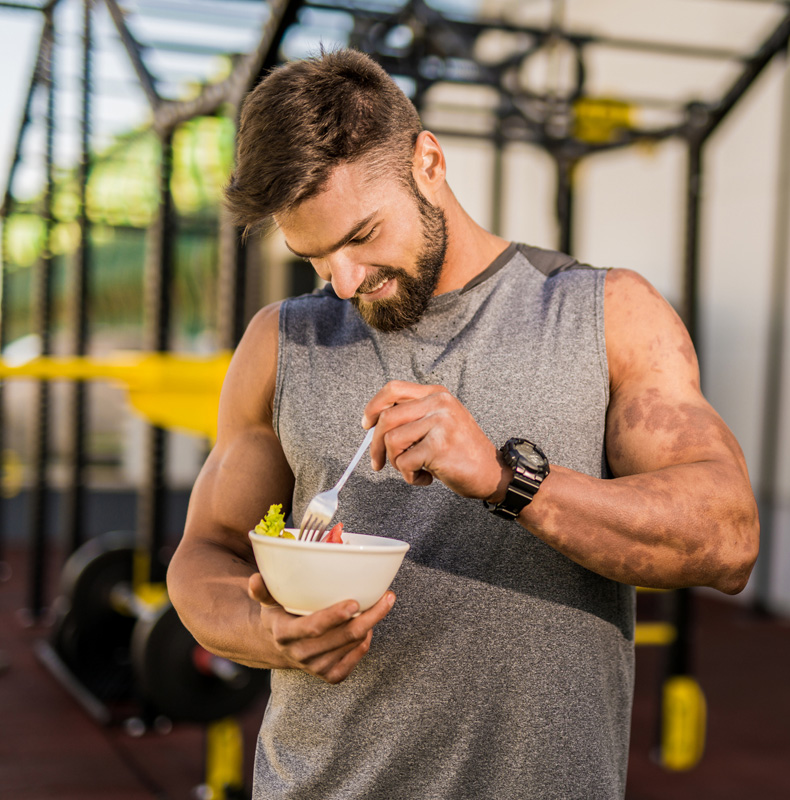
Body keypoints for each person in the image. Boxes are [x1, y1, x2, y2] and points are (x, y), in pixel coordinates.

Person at [166, 48, 758, 799]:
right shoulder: (281, 344)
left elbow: (728, 538)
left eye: (360, 236)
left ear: (429, 162)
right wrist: (270, 636)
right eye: (313, 256)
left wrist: (510, 481)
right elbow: (202, 557)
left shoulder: (606, 314)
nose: (344, 283)